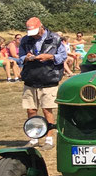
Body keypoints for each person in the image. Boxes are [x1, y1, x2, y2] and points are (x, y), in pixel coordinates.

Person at [19, 17, 68, 148]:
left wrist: (50, 57)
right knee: (31, 110)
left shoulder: (55, 39)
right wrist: (26, 58)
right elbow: (20, 57)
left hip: (49, 78)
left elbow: (63, 56)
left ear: (41, 27)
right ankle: (33, 138)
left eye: (36, 32)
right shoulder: (25, 40)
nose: (34, 35)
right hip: (30, 79)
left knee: (47, 110)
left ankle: (49, 139)